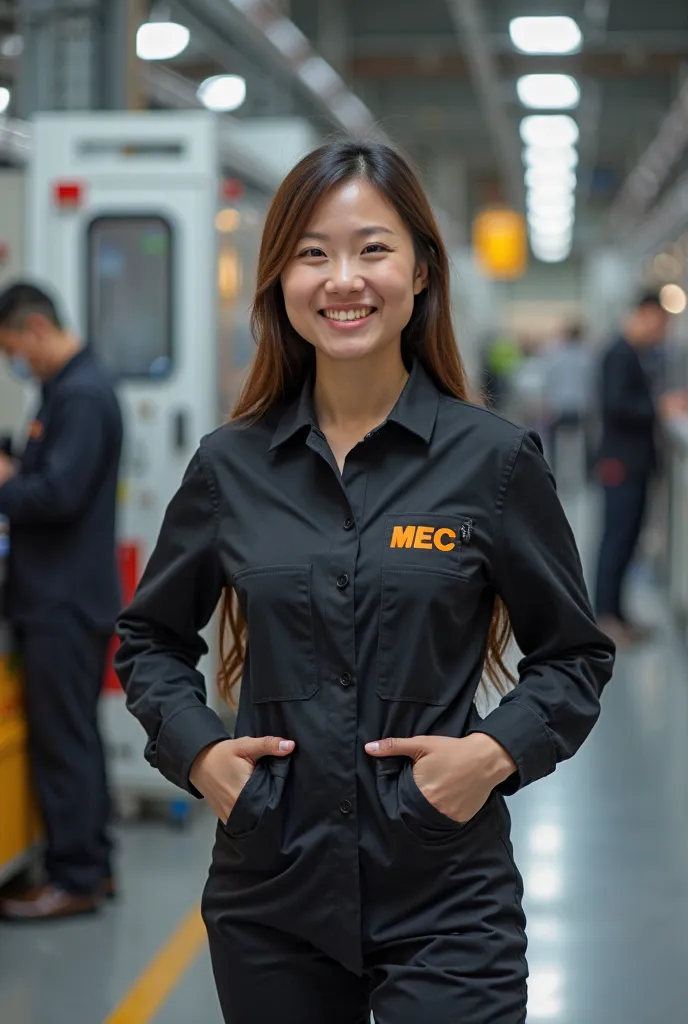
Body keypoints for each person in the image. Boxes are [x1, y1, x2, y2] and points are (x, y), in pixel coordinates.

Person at [115, 142, 615, 1022]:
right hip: (271, 889)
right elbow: (150, 638)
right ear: (280, 280)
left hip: (446, 890)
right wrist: (200, 755)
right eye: (313, 252)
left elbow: (574, 656)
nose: (343, 278)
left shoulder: (493, 462)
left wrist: (491, 756)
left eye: (372, 249)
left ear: (421, 270)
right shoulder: (229, 468)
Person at [0, 282, 123, 920]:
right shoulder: (70, 390)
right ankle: (93, 866)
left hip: (62, 602)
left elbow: (58, 495)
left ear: (37, 330)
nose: (15, 361)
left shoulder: (81, 394)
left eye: (14, 348)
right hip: (67, 597)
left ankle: (73, 877)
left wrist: (6, 484)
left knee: (63, 743)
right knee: (76, 738)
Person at [594, 291, 688, 645]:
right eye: (660, 323)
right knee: (616, 540)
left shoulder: (632, 354)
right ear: (645, 314)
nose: (661, 332)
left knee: (627, 539)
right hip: (621, 461)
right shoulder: (619, 354)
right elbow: (617, 406)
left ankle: (617, 613)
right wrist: (660, 407)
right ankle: (605, 617)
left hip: (632, 461)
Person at [542, 322, 592, 480]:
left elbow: (548, 381)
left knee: (554, 444)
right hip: (579, 406)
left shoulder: (555, 356)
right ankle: (582, 476)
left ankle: (554, 474)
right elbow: (591, 383)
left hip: (558, 406)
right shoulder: (586, 357)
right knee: (582, 443)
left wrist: (546, 403)